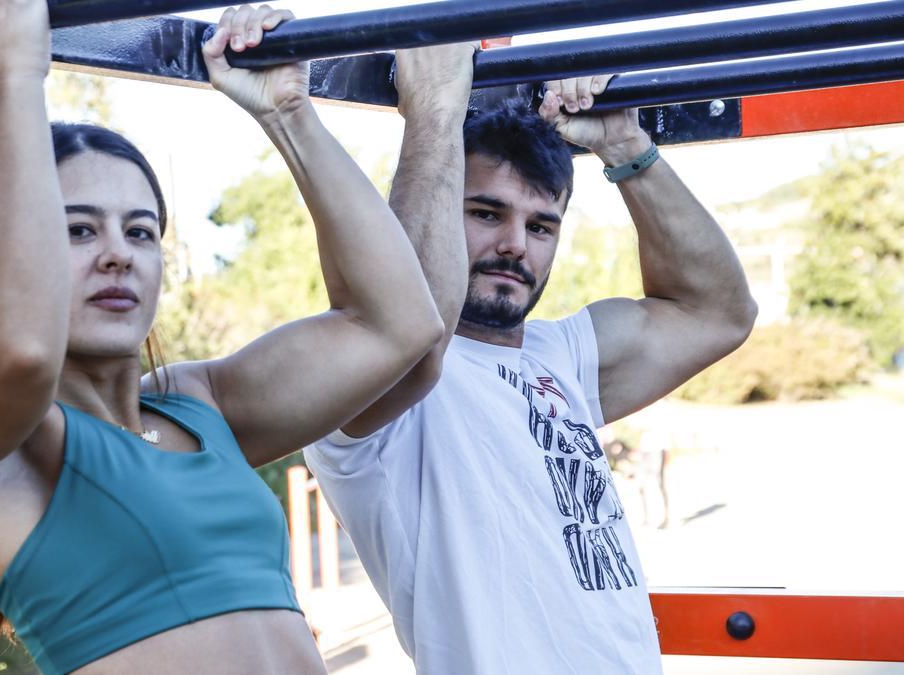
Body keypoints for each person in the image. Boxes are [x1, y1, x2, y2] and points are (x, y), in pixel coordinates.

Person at [0, 2, 443, 673]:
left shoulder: (203, 402)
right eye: (77, 229)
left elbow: (400, 325)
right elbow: (20, 352)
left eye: (139, 231)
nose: (117, 254)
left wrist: (288, 114)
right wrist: (15, 69)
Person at [305, 45, 759, 673]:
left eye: (541, 226)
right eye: (485, 213)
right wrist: (433, 114)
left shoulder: (561, 356)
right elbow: (399, 323)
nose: (515, 245)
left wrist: (626, 148)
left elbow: (718, 312)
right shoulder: (377, 386)